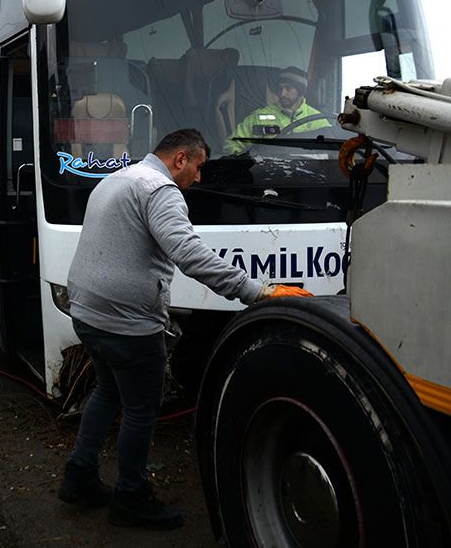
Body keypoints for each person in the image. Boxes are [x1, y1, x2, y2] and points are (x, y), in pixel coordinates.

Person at [59, 128, 311, 530]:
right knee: (141, 410)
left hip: (88, 313)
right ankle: (131, 498)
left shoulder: (118, 178)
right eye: (198, 167)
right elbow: (190, 254)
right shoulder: (159, 190)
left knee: (107, 392)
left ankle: (80, 478)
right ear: (180, 159)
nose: (199, 178)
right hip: (128, 324)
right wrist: (258, 292)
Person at [223, 66, 331, 154]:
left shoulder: (317, 120)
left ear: (300, 90)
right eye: (280, 88)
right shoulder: (260, 117)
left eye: (288, 88)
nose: (282, 93)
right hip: (269, 175)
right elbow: (231, 144)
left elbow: (330, 151)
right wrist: (242, 164)